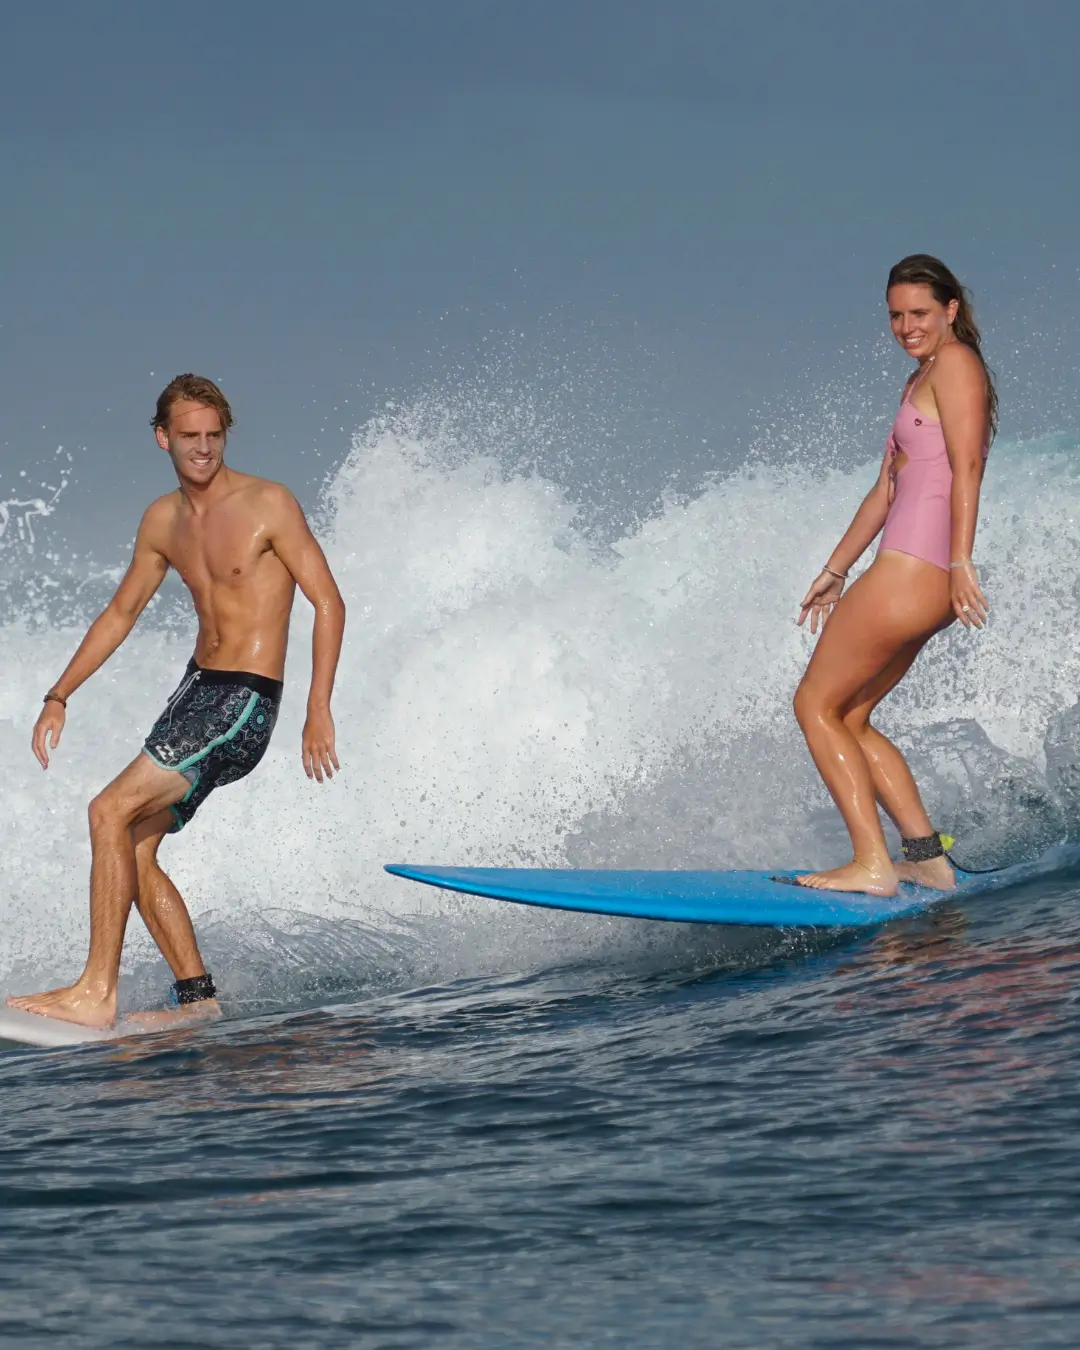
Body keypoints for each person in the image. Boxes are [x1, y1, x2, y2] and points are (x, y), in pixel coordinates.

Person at [8, 374, 346, 1027]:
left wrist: (318, 707)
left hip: (244, 700)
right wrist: (59, 695)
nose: (203, 449)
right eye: (189, 436)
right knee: (131, 843)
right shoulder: (161, 521)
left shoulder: (269, 503)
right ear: (163, 437)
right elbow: (121, 611)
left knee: (108, 809)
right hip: (195, 691)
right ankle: (198, 999)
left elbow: (328, 600)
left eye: (214, 435)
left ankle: (95, 992)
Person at [791, 255, 995, 896]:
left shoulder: (957, 365)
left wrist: (962, 562)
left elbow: (967, 467)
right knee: (850, 714)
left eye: (920, 314)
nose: (907, 326)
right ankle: (926, 859)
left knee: (813, 705)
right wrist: (835, 568)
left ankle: (871, 865)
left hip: (915, 569)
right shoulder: (922, 378)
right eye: (896, 315)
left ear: (951, 310)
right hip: (916, 574)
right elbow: (886, 489)